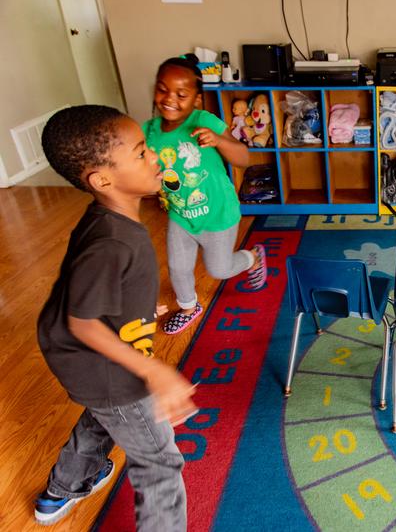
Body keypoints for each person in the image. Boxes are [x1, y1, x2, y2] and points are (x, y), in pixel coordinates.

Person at [35, 105, 197, 529]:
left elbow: (101, 293)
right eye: (142, 153)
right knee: (160, 461)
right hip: (102, 363)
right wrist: (153, 371)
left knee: (103, 417)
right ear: (102, 179)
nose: (156, 157)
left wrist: (142, 310)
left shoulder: (114, 223)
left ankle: (61, 492)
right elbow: (83, 321)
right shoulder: (111, 241)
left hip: (93, 364)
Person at [143, 53, 266, 334]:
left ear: (197, 99)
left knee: (219, 270)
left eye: (181, 93)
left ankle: (252, 258)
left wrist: (219, 140)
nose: (169, 98)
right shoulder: (148, 131)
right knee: (177, 267)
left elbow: (244, 157)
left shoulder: (204, 120)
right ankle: (189, 306)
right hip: (181, 214)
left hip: (218, 214)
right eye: (162, 89)